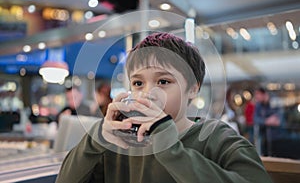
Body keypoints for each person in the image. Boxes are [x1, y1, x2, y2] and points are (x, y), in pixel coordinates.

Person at [56, 32, 272, 183]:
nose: (148, 93)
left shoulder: (217, 138)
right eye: (138, 83)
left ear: (193, 89)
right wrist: (96, 139)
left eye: (163, 82)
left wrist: (169, 146)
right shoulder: (120, 142)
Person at [253, 87, 284, 156]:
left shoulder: (275, 102)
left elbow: (278, 121)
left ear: (264, 94)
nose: (256, 97)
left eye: (257, 94)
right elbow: (255, 119)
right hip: (264, 139)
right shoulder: (258, 105)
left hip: (277, 138)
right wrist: (266, 121)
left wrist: (264, 121)